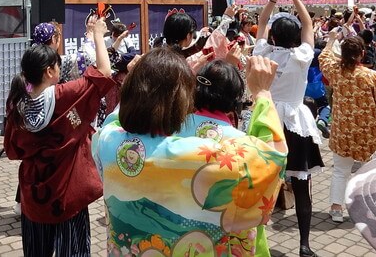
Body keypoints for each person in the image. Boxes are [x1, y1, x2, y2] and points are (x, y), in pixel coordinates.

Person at [92, 50, 287, 256]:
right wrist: (262, 93)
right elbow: (273, 157)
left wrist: (140, 77)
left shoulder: (108, 141)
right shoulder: (203, 157)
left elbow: (115, 119)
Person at [4, 16, 116, 256]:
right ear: (50, 71)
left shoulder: (17, 102)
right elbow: (104, 73)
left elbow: (13, 151)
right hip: (67, 195)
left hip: (34, 198)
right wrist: (98, 35)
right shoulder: (64, 95)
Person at [253, 0, 324, 257]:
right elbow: (308, 22)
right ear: (296, 37)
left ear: (272, 35)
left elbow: (260, 22)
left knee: (256, 185)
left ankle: (251, 240)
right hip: (296, 123)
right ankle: (304, 245)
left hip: (266, 120)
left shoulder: (262, 53)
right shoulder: (302, 57)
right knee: (302, 185)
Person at [319, 32, 376, 224]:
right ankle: (367, 209)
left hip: (341, 131)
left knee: (340, 171)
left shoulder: (336, 71)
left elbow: (324, 57)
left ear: (343, 54)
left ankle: (336, 208)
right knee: (368, 172)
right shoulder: (371, 76)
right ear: (362, 53)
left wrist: (331, 40)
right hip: (366, 133)